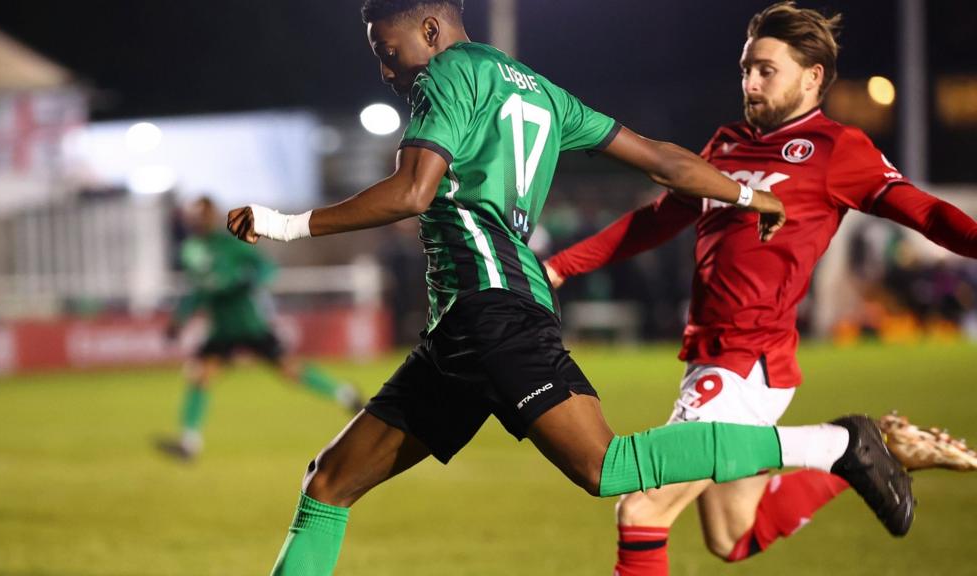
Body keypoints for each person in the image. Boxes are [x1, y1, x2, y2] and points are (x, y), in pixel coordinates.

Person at [225, 2, 913, 574]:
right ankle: (837, 447)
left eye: (389, 47)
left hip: (490, 311)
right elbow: (662, 161)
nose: (386, 67)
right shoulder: (533, 86)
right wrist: (748, 195)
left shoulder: (445, 77)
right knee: (329, 484)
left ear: (431, 30)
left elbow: (412, 191)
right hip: (466, 325)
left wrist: (286, 224)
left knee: (609, 469)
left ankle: (836, 446)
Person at [543, 3, 977, 574]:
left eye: (766, 70)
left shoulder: (836, 149)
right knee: (733, 535)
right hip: (711, 357)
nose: (750, 82)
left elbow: (927, 213)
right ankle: (874, 450)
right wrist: (559, 267)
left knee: (642, 508)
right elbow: (657, 220)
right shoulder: (726, 143)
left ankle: (848, 444)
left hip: (747, 361)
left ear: (812, 76)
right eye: (746, 68)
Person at [159, 196, 363, 460]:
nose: (199, 220)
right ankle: (189, 444)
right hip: (222, 329)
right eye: (196, 216)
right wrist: (181, 318)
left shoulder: (232, 243)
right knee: (199, 376)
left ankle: (346, 395)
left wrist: (243, 280)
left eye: (203, 215)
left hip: (249, 323)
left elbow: (266, 269)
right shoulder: (191, 251)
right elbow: (197, 291)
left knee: (291, 370)